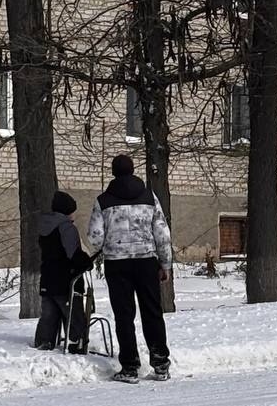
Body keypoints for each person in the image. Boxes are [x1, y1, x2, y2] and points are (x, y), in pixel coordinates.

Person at [84, 154, 173, 383]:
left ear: (113, 173)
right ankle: (160, 362)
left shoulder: (103, 200)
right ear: (133, 170)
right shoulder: (149, 197)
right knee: (152, 312)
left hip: (117, 263)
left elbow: (95, 237)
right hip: (146, 261)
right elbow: (162, 233)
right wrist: (165, 264)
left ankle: (130, 367)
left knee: (124, 315)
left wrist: (105, 247)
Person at [33, 190, 93, 353]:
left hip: (48, 277)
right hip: (66, 279)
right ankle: (75, 342)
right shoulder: (66, 228)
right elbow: (72, 252)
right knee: (73, 313)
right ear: (68, 211)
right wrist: (85, 262)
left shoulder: (44, 226)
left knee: (48, 315)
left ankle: (44, 341)